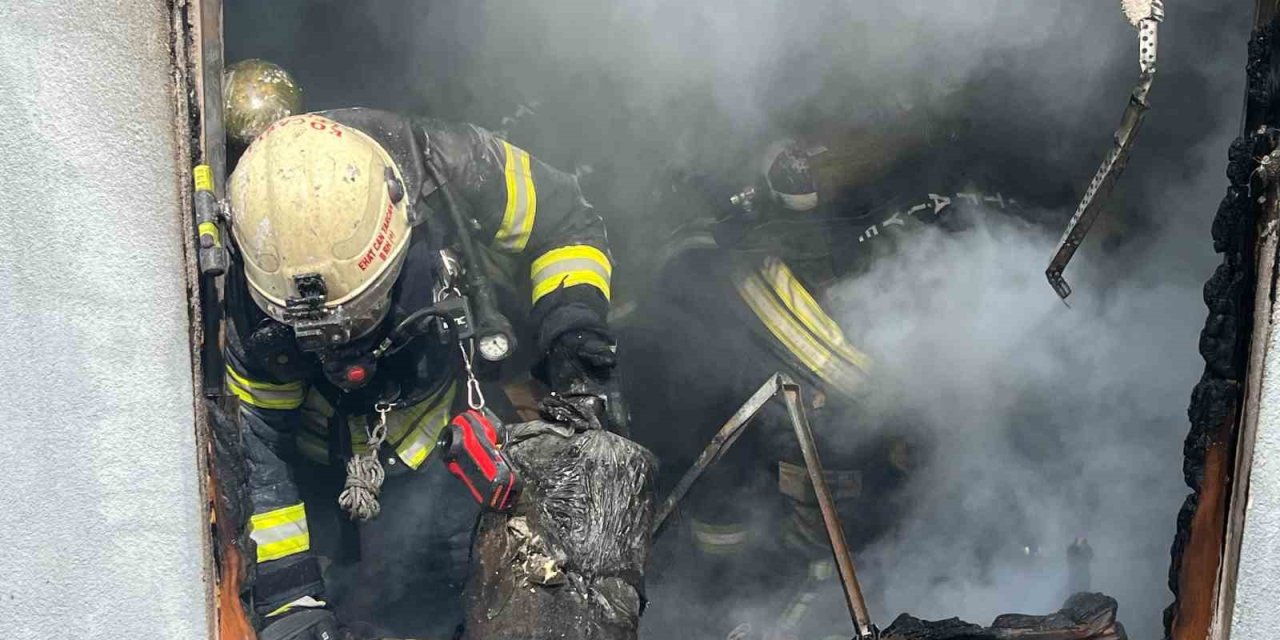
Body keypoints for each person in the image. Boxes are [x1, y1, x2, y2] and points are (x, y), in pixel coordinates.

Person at [223, 108, 618, 639]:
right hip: (318, 469)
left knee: (468, 592)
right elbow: (262, 453)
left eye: (363, 314)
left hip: (442, 443)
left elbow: (566, 222)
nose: (348, 349)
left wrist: (573, 332)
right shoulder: (243, 292)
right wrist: (291, 605)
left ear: (400, 231)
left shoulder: (453, 167)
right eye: (317, 334)